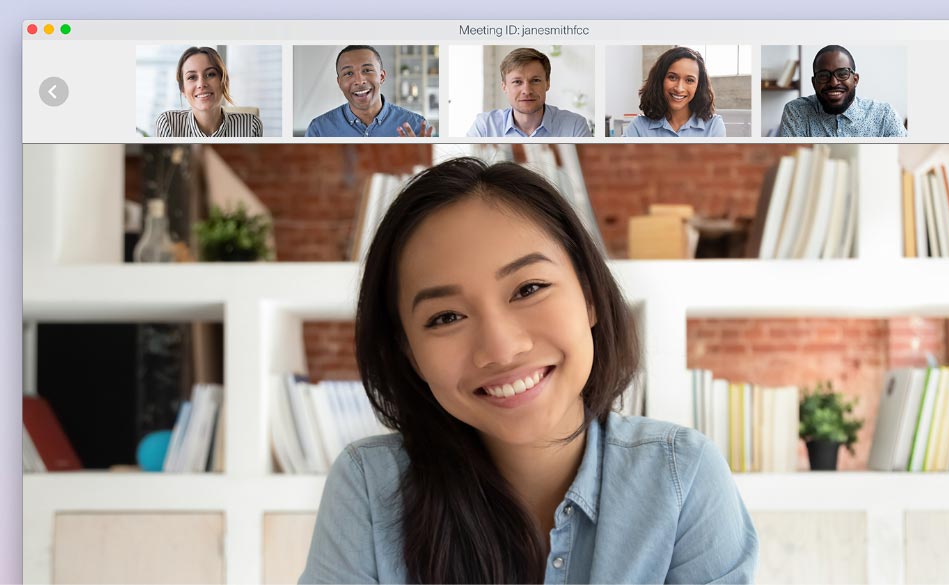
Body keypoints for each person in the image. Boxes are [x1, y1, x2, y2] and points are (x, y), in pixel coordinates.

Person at [299, 158, 758, 583]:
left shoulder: (682, 477)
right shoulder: (368, 489)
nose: (500, 349)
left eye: (529, 288)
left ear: (590, 295)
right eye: (445, 317)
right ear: (408, 352)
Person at [779, 45, 907, 137]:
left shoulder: (884, 115)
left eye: (842, 73)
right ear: (814, 82)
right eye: (824, 75)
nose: (833, 82)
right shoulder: (797, 112)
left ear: (855, 79)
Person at [306, 45, 433, 138]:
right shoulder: (319, 130)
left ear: (382, 76)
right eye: (349, 73)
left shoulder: (415, 126)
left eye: (367, 70)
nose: (359, 81)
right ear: (339, 83)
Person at [467, 48, 592, 138]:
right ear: (504, 87)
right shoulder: (485, 126)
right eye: (517, 82)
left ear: (547, 83)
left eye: (535, 80)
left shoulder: (575, 126)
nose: (527, 91)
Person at [154, 47, 263, 138]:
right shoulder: (168, 124)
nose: (201, 84)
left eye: (210, 74)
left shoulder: (251, 126)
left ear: (223, 81)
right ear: (183, 89)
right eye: (192, 77)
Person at [624, 47, 725, 137]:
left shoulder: (713, 126)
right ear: (660, 80)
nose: (679, 88)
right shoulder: (638, 127)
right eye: (672, 77)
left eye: (689, 80)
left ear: (699, 86)